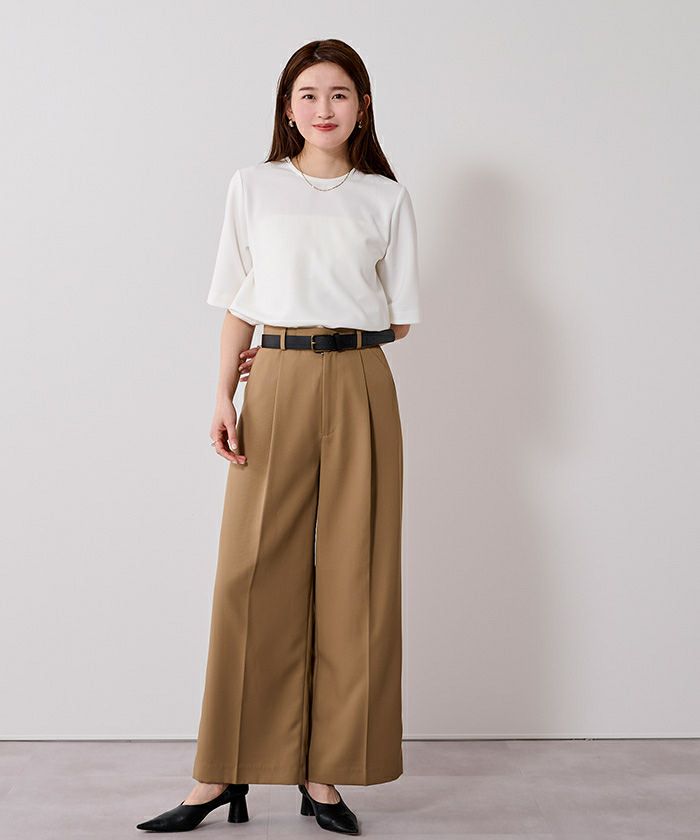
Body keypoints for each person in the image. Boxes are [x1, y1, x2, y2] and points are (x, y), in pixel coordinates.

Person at [136, 37, 421, 835]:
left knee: (357, 578)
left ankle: (323, 774)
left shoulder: (385, 198)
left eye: (339, 93)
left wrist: (330, 333)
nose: (323, 108)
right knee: (251, 571)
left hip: (360, 380)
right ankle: (221, 773)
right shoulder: (253, 186)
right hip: (275, 380)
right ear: (287, 108)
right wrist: (224, 394)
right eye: (308, 94)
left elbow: (399, 315)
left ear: (363, 106)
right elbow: (238, 300)